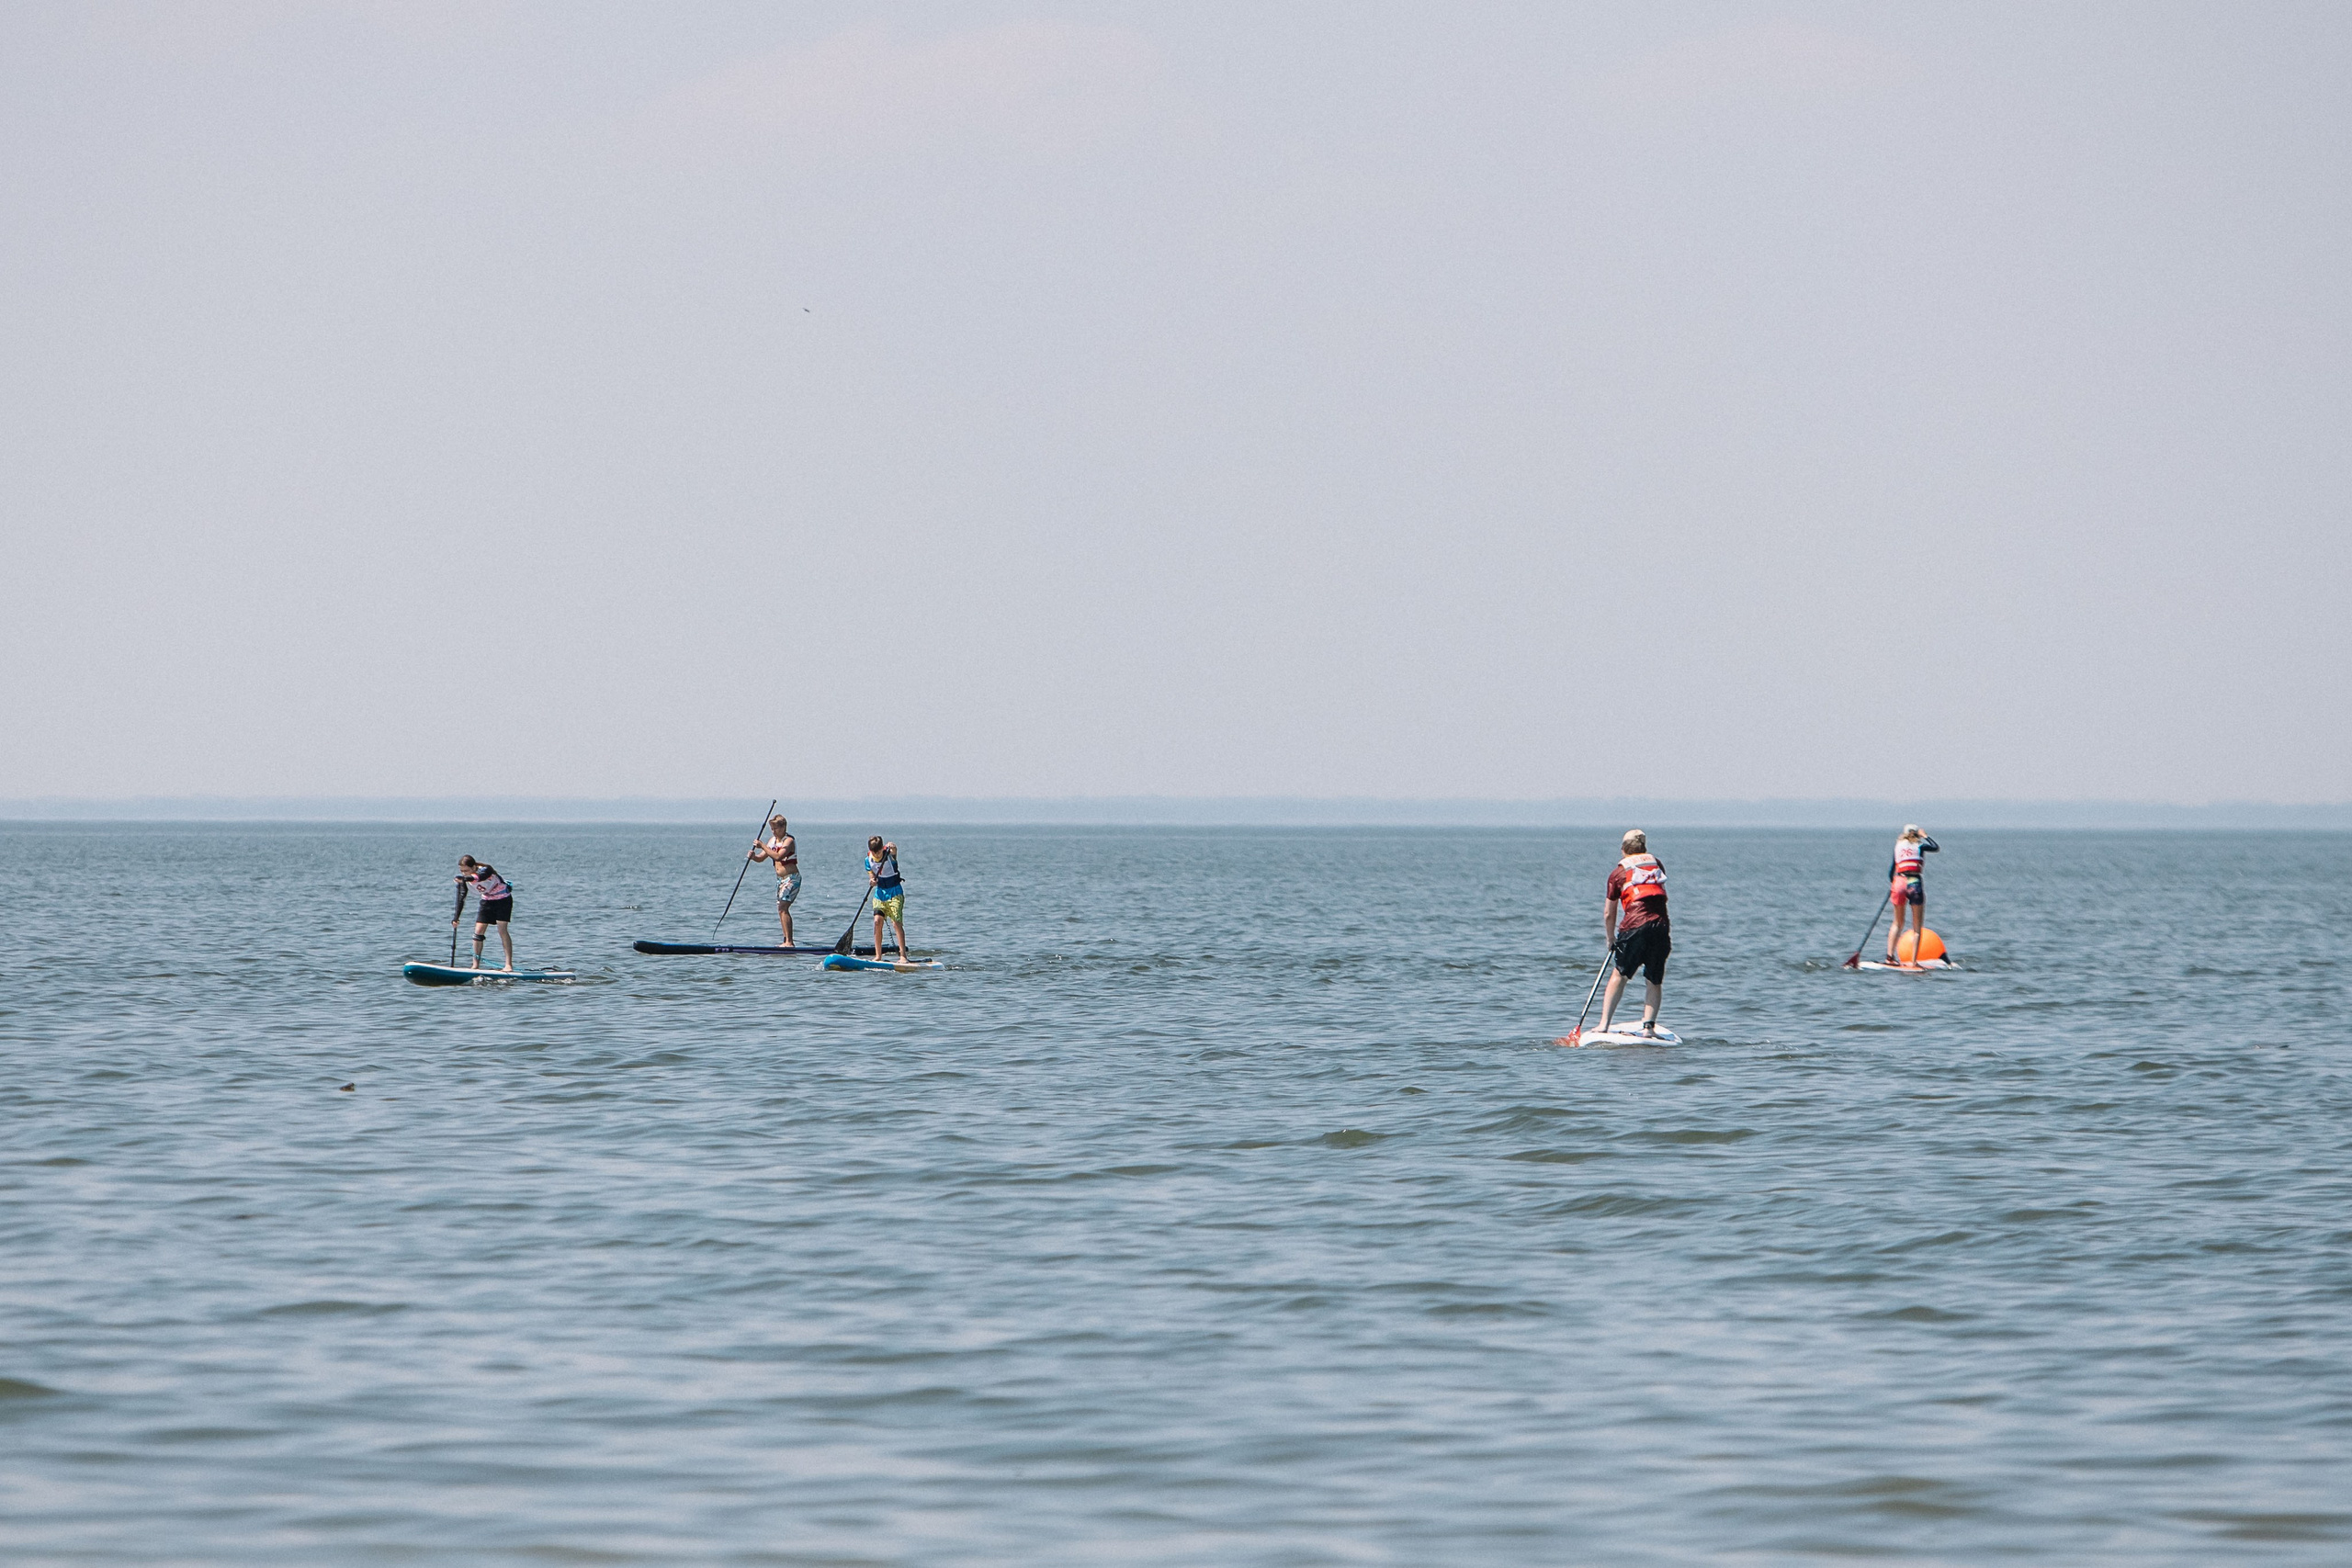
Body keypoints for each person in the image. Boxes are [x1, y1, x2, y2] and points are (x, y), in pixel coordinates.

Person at [1597, 829, 1669, 1038]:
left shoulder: (1618, 873)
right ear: (1644, 848)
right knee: (1654, 979)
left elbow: (1609, 913)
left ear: (1623, 849)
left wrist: (1610, 939)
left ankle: (1603, 1024)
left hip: (1634, 928)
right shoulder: (1657, 864)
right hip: (1660, 927)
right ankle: (1649, 1028)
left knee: (1619, 974)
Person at [1884, 824, 1940, 964]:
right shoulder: (1920, 846)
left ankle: (1889, 957)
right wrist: (1925, 836)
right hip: (1914, 883)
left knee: (1897, 922)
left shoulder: (1898, 846)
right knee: (1917, 927)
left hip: (1899, 882)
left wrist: (1893, 883)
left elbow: (1892, 870)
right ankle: (1913, 962)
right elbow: (1935, 847)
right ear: (1917, 834)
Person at [454, 854, 515, 971]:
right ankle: (475, 965)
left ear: (473, 867)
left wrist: (466, 879)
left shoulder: (486, 870)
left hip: (503, 900)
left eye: (466, 871)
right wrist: (456, 917)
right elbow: (461, 898)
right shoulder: (464, 879)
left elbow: (479, 877)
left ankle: (508, 965)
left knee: (502, 930)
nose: (464, 873)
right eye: (461, 871)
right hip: (487, 901)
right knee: (478, 932)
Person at [748, 815, 800, 945]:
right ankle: (785, 940)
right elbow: (761, 858)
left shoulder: (788, 841)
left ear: (783, 827)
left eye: (775, 828)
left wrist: (762, 845)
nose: (773, 831)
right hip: (780, 880)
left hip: (792, 879)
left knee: (783, 907)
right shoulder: (772, 841)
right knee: (780, 910)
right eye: (771, 829)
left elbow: (778, 856)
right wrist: (754, 856)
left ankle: (789, 942)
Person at [866, 836, 908, 963]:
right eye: (874, 852)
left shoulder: (889, 855)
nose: (877, 855)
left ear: (882, 849)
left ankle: (903, 956)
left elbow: (894, 851)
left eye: (878, 852)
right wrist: (872, 881)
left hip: (895, 892)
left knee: (896, 923)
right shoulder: (868, 860)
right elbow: (872, 876)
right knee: (877, 922)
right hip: (880, 893)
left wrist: (893, 847)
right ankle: (878, 956)